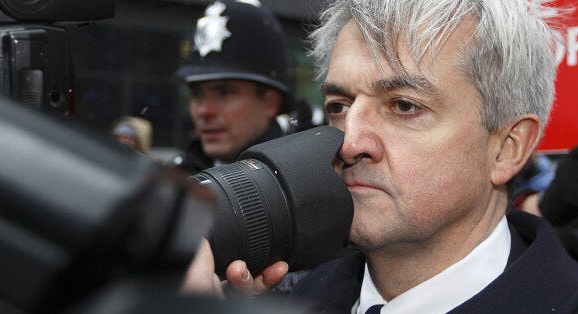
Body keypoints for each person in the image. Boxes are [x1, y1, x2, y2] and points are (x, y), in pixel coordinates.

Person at [181, 0, 578, 313]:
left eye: (404, 106)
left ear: (507, 148)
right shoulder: (283, 297)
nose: (349, 143)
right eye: (339, 106)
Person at [170, 0, 293, 174]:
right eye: (197, 93)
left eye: (224, 92)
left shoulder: (304, 183)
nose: (204, 111)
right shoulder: (177, 179)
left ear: (270, 103)